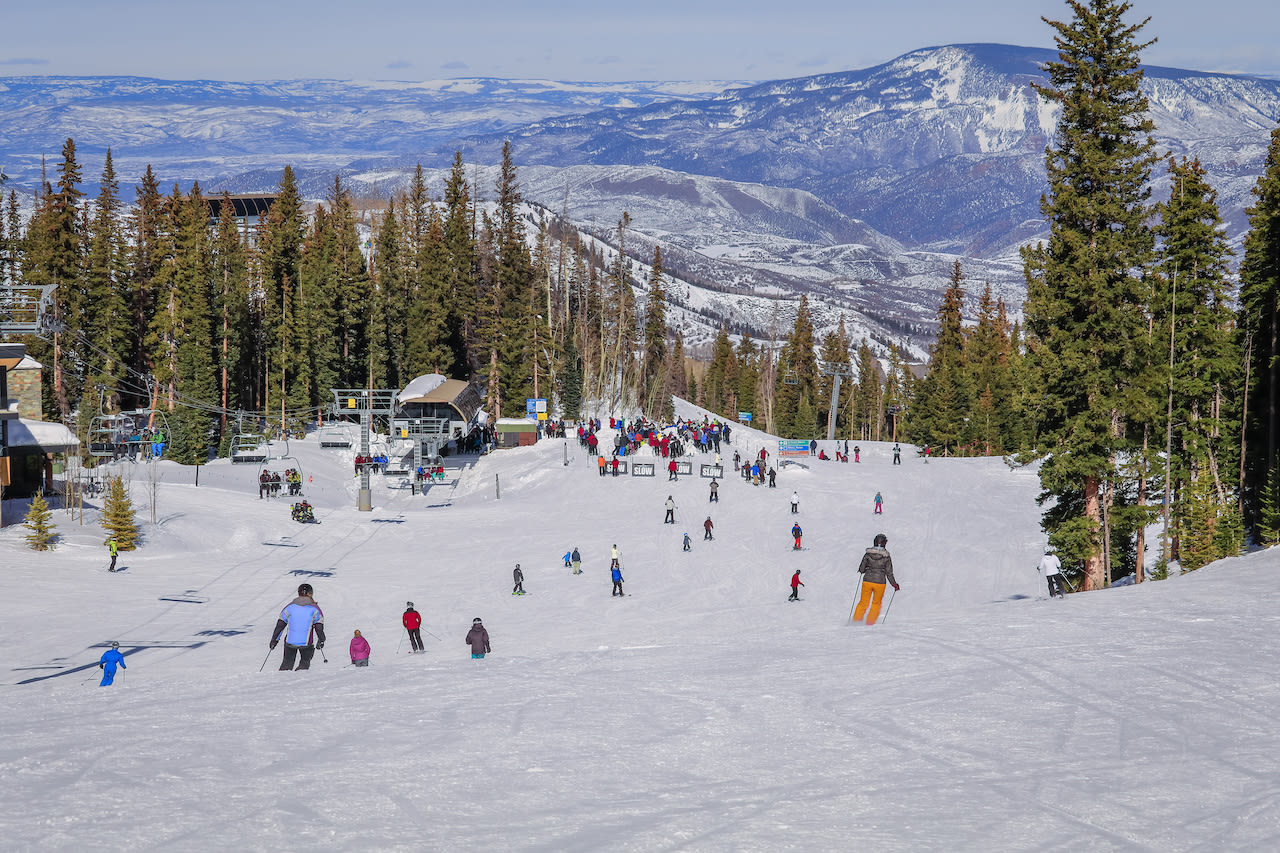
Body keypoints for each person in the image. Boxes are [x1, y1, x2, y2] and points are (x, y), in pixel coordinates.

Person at [269, 582, 326, 671]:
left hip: (290, 642)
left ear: (298, 593)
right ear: (311, 594)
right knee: (304, 664)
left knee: (287, 664)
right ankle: (297, 679)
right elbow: (319, 628)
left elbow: (280, 626)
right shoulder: (315, 609)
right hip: (306, 643)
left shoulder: (289, 607)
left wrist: (274, 640)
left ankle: (281, 680)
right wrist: (321, 640)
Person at [853, 533, 899, 625]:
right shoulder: (886, 556)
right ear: (884, 543)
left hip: (867, 581)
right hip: (880, 583)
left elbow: (861, 569)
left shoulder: (868, 554)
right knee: (876, 604)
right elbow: (889, 573)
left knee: (863, 602)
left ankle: (856, 622)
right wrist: (894, 584)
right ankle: (870, 623)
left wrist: (865, 569)